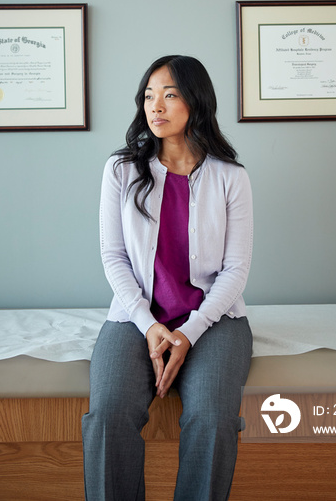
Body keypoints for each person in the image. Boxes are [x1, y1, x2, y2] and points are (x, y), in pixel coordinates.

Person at [82, 55, 253, 501]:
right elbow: (113, 256)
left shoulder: (231, 177)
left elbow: (235, 271)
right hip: (136, 318)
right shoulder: (120, 171)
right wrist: (151, 325)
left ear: (196, 102)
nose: (155, 106)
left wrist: (189, 332)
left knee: (213, 417)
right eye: (149, 95)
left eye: (170, 94)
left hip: (214, 320)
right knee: (107, 414)